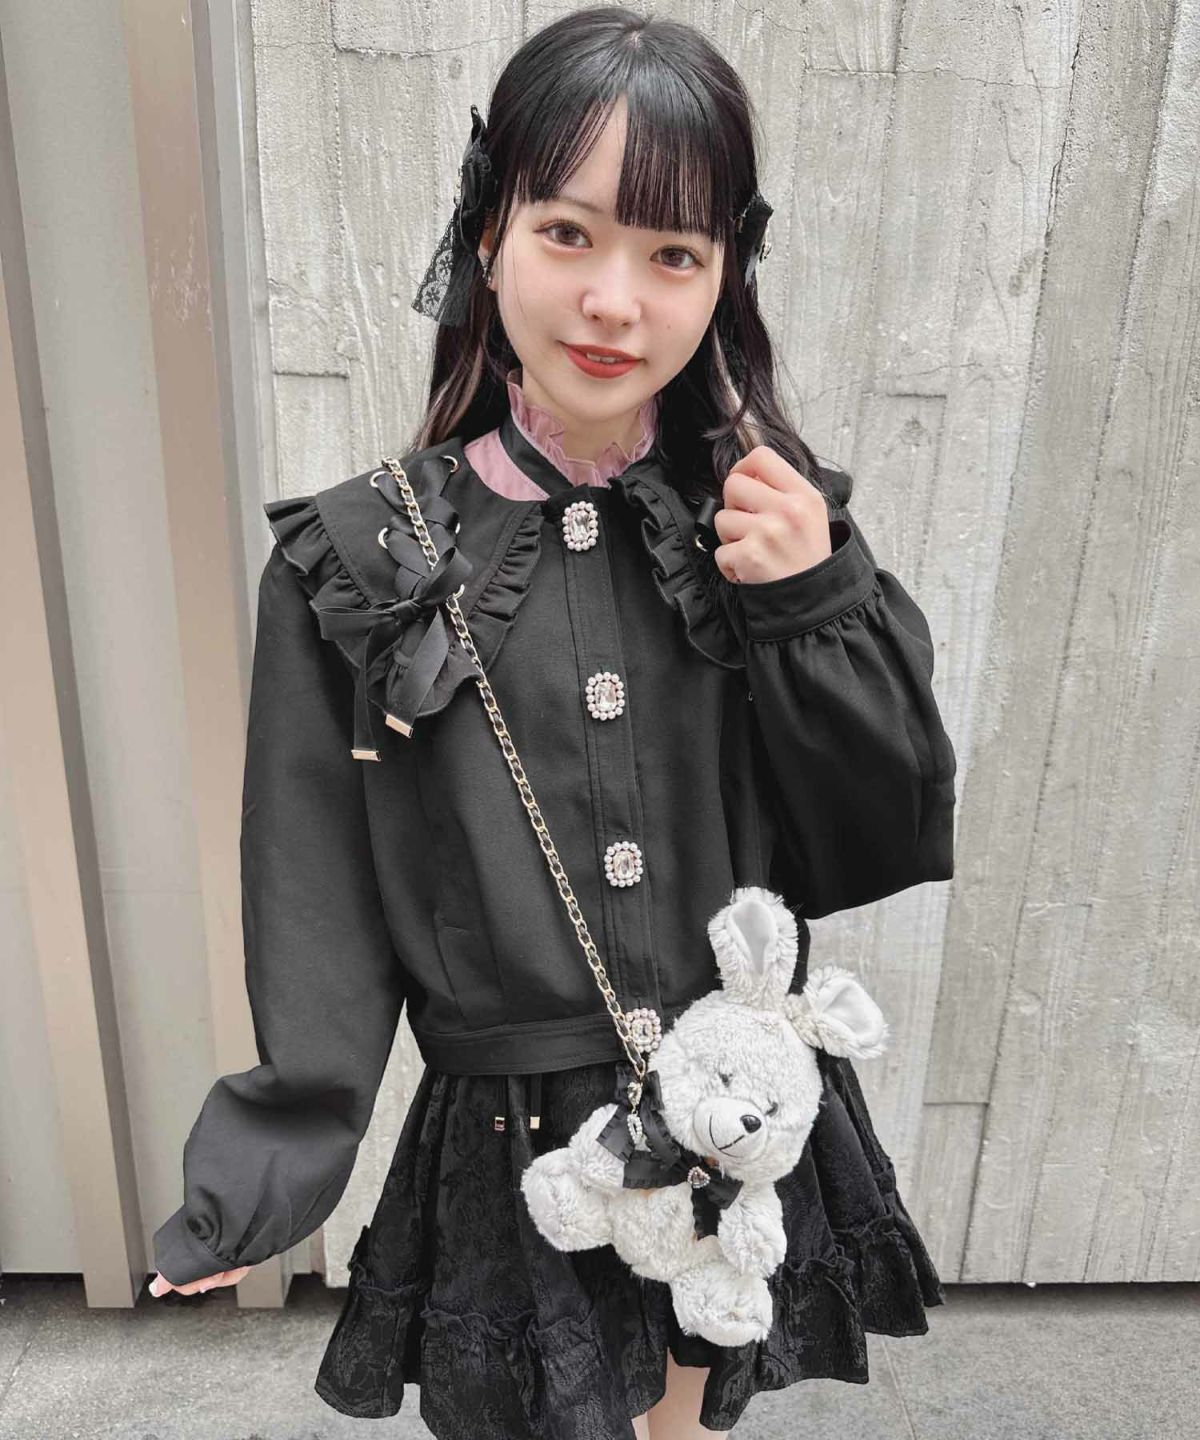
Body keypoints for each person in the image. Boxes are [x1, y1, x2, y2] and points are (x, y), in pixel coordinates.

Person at [148, 8, 958, 1438]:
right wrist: (257, 1183)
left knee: (688, 1408)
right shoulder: (363, 559)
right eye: (568, 234)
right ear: (489, 235)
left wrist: (810, 602)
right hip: (516, 1142)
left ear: (726, 277)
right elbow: (315, 893)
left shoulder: (763, 523)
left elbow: (877, 835)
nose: (613, 301)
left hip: (728, 1105)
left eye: (673, 255)